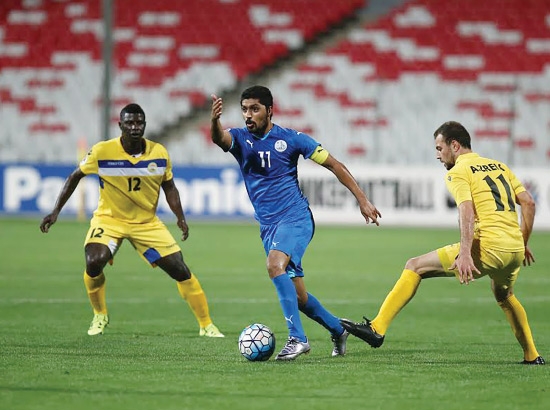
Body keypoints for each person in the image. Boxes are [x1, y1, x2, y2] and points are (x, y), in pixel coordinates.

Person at [341, 121, 545, 365]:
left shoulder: (459, 171)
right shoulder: (500, 166)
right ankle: (532, 355)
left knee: (414, 266)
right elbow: (529, 203)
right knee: (504, 295)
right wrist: (522, 242)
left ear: (454, 145)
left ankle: (377, 328)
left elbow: (466, 210)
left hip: (488, 245)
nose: (437, 155)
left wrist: (466, 253)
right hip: (514, 249)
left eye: (439, 148)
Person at [210, 85, 381, 360]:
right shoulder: (240, 139)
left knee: (274, 265)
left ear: (270, 110)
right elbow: (220, 138)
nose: (248, 115)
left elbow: (334, 164)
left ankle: (297, 339)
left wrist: (362, 199)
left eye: (254, 109)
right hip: (268, 226)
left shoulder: (291, 139)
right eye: (244, 109)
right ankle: (338, 330)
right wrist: (214, 121)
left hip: (295, 217)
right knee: (299, 297)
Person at [40, 103, 224, 338]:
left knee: (180, 270)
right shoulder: (102, 151)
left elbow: (170, 187)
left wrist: (180, 217)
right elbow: (75, 177)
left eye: (139, 122)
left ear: (144, 125)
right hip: (109, 220)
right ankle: (100, 314)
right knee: (94, 261)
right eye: (130, 123)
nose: (135, 127)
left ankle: (206, 325)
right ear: (120, 126)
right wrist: (55, 211)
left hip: (146, 223)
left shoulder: (159, 153)